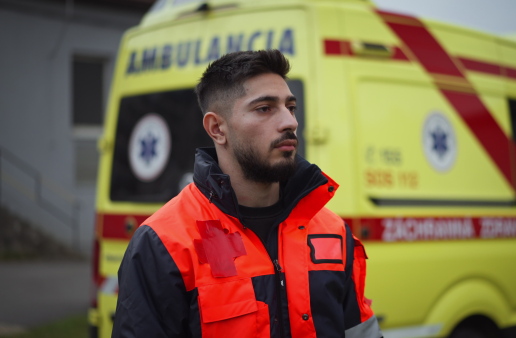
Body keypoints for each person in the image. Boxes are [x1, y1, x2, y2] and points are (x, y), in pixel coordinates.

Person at [112, 49, 382, 338]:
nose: (290, 122)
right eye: (265, 108)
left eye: (290, 107)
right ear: (217, 128)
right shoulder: (165, 243)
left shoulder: (332, 231)